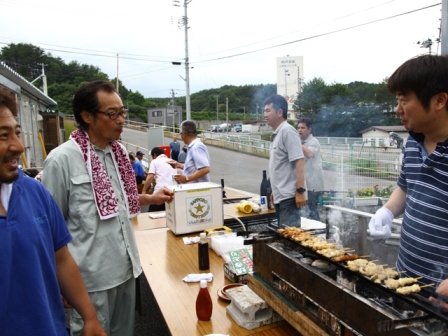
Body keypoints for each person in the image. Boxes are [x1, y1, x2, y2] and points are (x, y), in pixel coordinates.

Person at [42, 80, 174, 335]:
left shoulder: (119, 154)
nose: (121, 120)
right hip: (89, 281)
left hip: (125, 270)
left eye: (122, 112)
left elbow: (117, 202)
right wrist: (58, 285)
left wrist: (150, 198)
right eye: (112, 114)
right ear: (87, 116)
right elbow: (48, 230)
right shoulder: (61, 160)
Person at [0, 88, 106, 335]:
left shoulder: (34, 192)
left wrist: (89, 316)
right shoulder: (61, 159)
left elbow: (61, 258)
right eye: (3, 136)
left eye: (16, 132)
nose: (18, 145)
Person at [368, 55, 448, 294]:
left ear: (440, 100)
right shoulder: (414, 141)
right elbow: (406, 186)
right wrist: (387, 211)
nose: (397, 109)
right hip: (407, 277)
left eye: (404, 100)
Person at [263, 94, 306, 229]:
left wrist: (300, 191)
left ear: (280, 112)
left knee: (289, 239)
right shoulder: (277, 133)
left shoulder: (288, 131)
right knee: (283, 236)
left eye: (268, 110)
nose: (265, 114)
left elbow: (299, 161)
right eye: (265, 111)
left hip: (289, 197)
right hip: (280, 196)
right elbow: (280, 166)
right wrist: (274, 191)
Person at [297, 117, 324, 221]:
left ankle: (318, 231)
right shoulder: (300, 142)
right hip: (304, 183)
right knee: (305, 211)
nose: (299, 130)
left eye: (303, 128)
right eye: (298, 127)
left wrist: (297, 143)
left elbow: (310, 154)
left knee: (312, 210)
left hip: (313, 184)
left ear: (309, 129)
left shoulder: (313, 142)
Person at [142, 147, 177, 212]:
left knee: (152, 213)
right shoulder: (172, 161)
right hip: (172, 192)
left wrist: (144, 190)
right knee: (169, 215)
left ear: (154, 155)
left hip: (160, 191)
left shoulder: (154, 161)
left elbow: (150, 176)